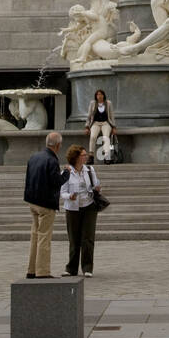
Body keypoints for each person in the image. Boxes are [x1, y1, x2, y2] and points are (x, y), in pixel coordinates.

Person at [23, 132, 66, 278]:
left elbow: (28, 178)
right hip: (46, 204)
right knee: (44, 238)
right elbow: (56, 182)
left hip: (32, 201)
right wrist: (66, 173)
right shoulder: (52, 160)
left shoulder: (34, 157)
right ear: (58, 145)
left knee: (35, 236)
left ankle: (31, 270)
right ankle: (42, 271)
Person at [60, 145, 101, 277]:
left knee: (88, 238)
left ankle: (87, 268)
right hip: (72, 208)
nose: (86, 157)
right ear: (76, 157)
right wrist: (69, 196)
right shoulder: (66, 172)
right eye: (83, 155)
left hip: (89, 206)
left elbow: (96, 184)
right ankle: (71, 268)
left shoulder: (89, 169)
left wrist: (97, 188)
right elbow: (62, 192)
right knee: (74, 238)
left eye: (85, 155)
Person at [84, 89, 116, 163]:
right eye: (98, 94)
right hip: (95, 123)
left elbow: (112, 115)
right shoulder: (93, 103)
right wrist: (87, 127)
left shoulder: (108, 103)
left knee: (106, 137)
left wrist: (114, 127)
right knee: (93, 137)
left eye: (101, 94)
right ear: (96, 96)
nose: (99, 96)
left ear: (103, 95)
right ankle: (91, 156)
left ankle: (107, 157)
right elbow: (89, 116)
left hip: (105, 123)